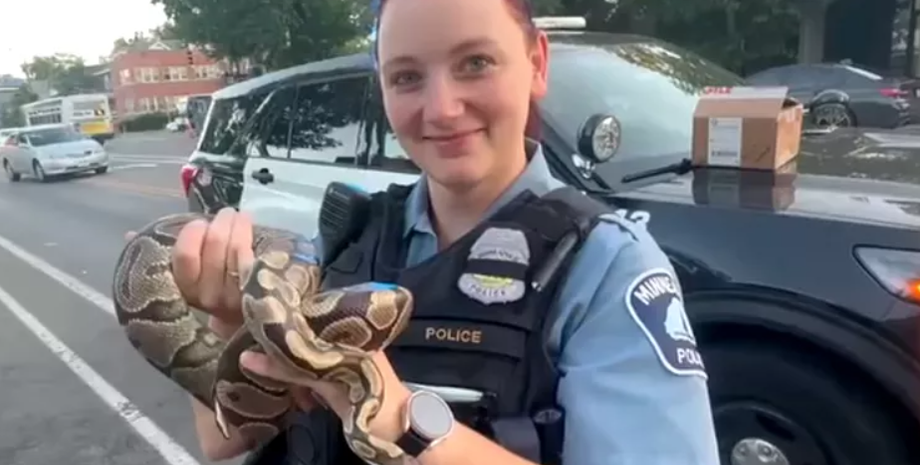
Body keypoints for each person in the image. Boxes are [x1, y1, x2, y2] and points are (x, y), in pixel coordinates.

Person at [163, 0, 722, 463]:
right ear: (381, 89)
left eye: (476, 63)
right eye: (406, 76)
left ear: (537, 64)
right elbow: (225, 438)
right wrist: (231, 320)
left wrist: (393, 415)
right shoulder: (342, 242)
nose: (443, 109)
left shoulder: (603, 264)